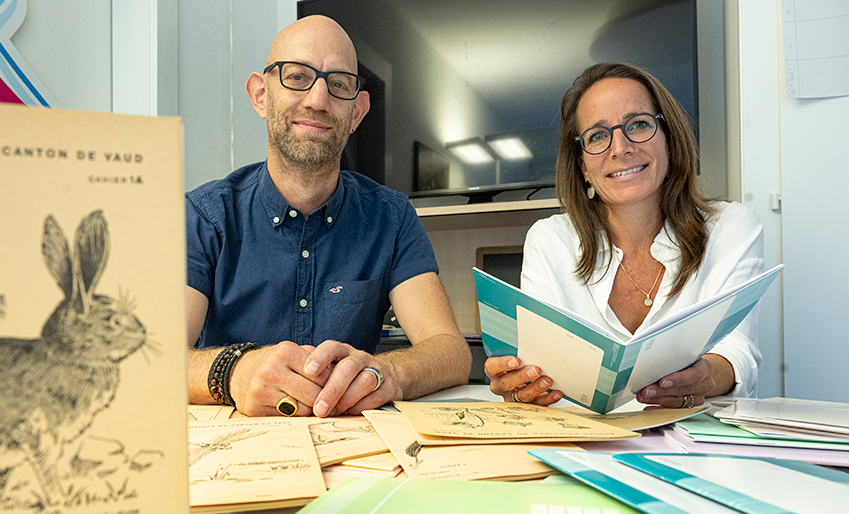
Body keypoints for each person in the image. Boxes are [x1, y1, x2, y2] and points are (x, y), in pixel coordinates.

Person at [186, 15, 471, 418]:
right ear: (260, 95)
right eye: (297, 76)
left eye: (338, 84)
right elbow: (153, 359)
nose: (319, 101)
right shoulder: (204, 215)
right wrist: (234, 370)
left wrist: (387, 371)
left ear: (357, 112)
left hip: (357, 455)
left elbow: (451, 351)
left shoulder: (391, 218)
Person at [485, 62, 764, 409]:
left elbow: (738, 351)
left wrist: (709, 374)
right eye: (598, 136)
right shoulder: (549, 240)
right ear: (583, 165)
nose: (621, 147)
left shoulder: (730, 227)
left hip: (699, 442)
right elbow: (538, 365)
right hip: (581, 442)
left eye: (639, 125)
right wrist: (521, 383)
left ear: (669, 139)